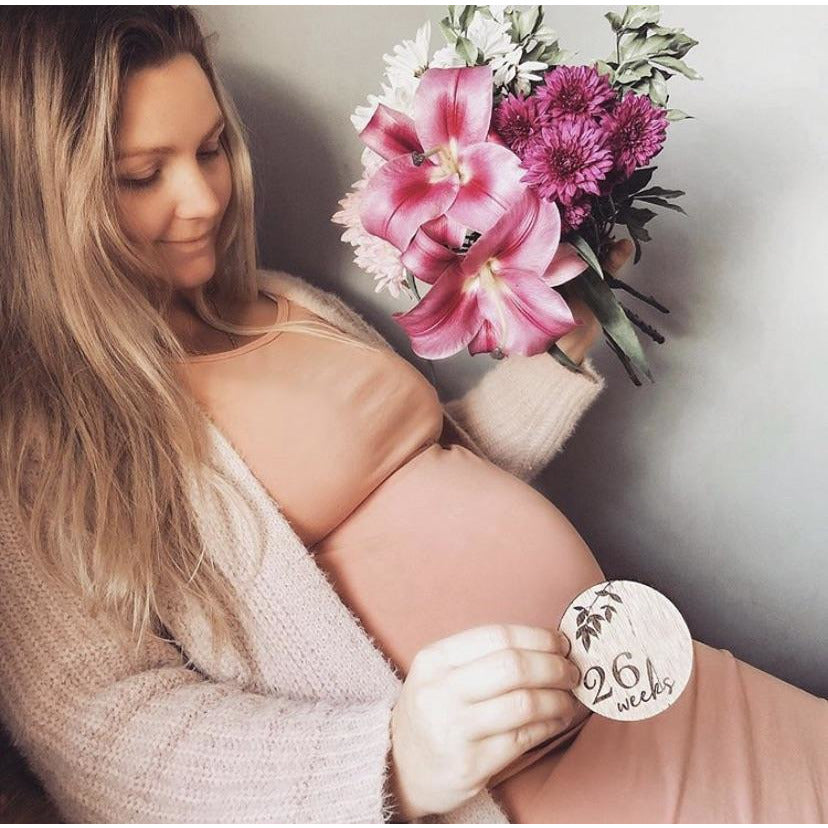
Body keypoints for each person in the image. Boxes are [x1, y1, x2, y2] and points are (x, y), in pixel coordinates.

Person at [0, 7, 824, 824]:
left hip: (642, 682)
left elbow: (434, 468)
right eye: (142, 175)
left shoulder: (282, 301)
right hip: (522, 797)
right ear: (42, 198)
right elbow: (97, 726)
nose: (205, 199)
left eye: (211, 148)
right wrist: (394, 763)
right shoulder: (39, 442)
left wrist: (560, 350)